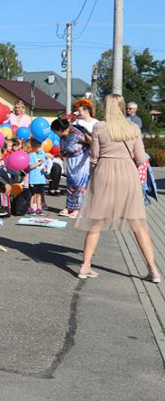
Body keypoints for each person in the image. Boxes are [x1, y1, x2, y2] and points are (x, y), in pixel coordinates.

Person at [74, 94, 160, 283]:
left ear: (106, 108)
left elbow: (94, 157)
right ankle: (153, 270)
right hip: (127, 176)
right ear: (122, 108)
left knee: (95, 224)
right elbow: (140, 157)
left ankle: (85, 266)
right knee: (138, 225)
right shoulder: (133, 128)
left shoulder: (99, 127)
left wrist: (93, 177)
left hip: (104, 173)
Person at [51, 117, 90, 219]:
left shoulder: (77, 134)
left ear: (60, 129)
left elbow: (91, 142)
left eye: (55, 131)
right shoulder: (63, 137)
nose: (55, 133)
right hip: (71, 161)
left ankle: (78, 209)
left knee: (79, 184)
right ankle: (69, 207)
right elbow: (63, 150)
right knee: (70, 184)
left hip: (82, 160)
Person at [27, 139, 48, 216]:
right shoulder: (31, 156)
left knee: (39, 194)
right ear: (34, 147)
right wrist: (38, 164)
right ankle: (32, 207)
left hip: (41, 179)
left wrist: (45, 168)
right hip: (33, 179)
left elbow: (45, 166)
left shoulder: (42, 155)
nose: (41, 149)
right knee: (33, 194)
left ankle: (39, 207)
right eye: (39, 147)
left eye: (41, 147)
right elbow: (30, 166)